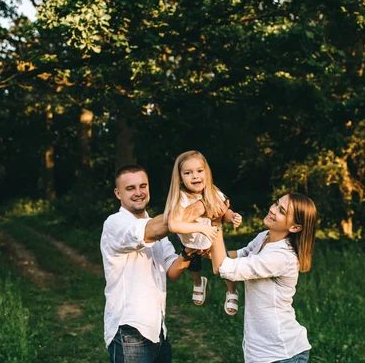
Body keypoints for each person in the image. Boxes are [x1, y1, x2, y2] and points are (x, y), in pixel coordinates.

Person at [100, 164, 211, 362]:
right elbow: (149, 231)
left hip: (158, 330)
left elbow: (172, 271)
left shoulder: (157, 226)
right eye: (130, 188)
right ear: (118, 193)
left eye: (143, 186)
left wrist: (188, 252)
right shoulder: (115, 223)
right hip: (129, 332)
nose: (138, 193)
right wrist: (203, 204)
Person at [210, 192, 317, 363]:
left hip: (282, 354)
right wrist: (201, 253)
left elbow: (225, 268)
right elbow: (237, 256)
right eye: (276, 203)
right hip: (260, 351)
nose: (273, 210)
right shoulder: (264, 237)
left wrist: (215, 223)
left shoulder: (282, 256)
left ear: (295, 227)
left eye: (282, 211)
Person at [163, 150, 243, 315]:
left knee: (223, 264)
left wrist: (232, 216)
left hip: (212, 237)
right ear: (180, 177)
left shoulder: (213, 192)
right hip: (190, 240)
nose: (195, 176)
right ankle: (198, 282)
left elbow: (224, 210)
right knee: (194, 264)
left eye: (199, 171)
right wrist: (200, 228)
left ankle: (232, 290)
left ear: (207, 173)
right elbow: (174, 226)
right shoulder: (181, 198)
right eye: (188, 173)